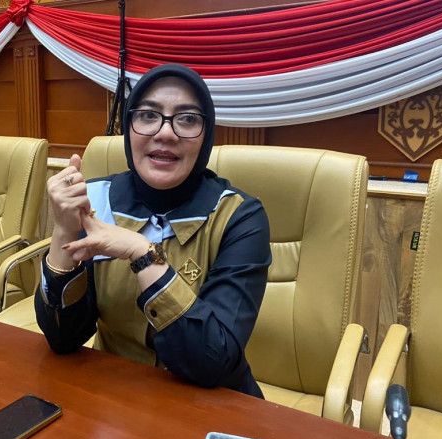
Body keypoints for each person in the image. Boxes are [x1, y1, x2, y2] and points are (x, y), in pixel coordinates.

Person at [35, 64, 271, 398]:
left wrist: (143, 254)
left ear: (206, 136)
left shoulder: (239, 216)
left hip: (212, 407)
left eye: (187, 119)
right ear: (128, 127)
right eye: (148, 115)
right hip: (114, 399)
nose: (166, 133)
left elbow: (213, 361)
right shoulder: (95, 201)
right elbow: (63, 339)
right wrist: (63, 230)